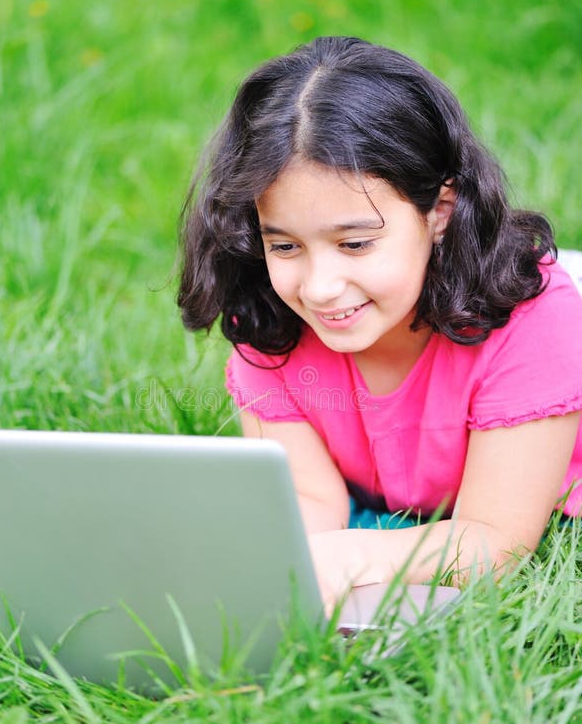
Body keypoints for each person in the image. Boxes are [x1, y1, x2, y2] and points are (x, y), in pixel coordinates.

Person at [177, 36, 582, 611]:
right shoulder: (271, 319)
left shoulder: (534, 321)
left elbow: (496, 540)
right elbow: (310, 501)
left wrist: (351, 556)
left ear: (440, 211)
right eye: (286, 245)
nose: (319, 288)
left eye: (356, 243)